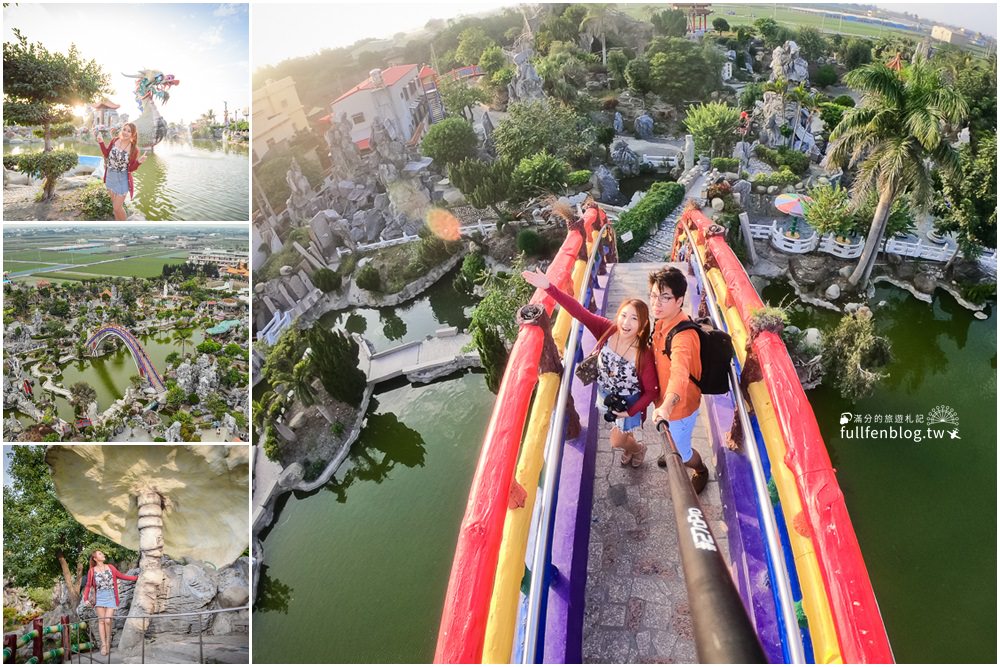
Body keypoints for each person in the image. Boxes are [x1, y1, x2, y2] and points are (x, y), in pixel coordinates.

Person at [522, 269, 657, 466]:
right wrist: (549, 288)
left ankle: (637, 448)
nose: (626, 323)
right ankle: (631, 446)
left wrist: (630, 411)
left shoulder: (643, 353)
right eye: (624, 315)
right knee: (619, 434)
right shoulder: (608, 330)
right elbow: (579, 312)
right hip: (606, 395)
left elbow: (652, 391)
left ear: (643, 325)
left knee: (615, 440)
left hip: (628, 404)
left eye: (634, 319)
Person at [648, 267, 710, 493]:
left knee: (683, 453)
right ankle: (670, 450)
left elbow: (680, 374)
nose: (657, 303)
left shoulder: (683, 336)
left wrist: (666, 405)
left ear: (680, 300)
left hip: (678, 408)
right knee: (670, 438)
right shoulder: (662, 320)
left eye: (665, 298)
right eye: (654, 295)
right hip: (664, 404)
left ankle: (700, 468)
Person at [82, 550, 138, 655]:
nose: (103, 555)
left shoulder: (110, 567)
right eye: (100, 554)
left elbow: (121, 576)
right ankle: (104, 645)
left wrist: (136, 578)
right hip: (99, 597)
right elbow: (88, 585)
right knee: (101, 621)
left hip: (111, 596)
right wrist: (85, 599)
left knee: (108, 620)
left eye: (102, 553)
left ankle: (108, 642)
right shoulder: (92, 571)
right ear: (95, 558)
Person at [95, 123, 148, 221]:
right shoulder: (115, 140)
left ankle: (125, 228)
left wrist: (138, 162)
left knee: (117, 207)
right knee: (115, 208)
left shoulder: (134, 149)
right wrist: (101, 142)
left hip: (122, 179)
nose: (126, 132)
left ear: (133, 134)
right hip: (110, 176)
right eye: (124, 129)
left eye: (129, 131)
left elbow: (131, 169)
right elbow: (106, 154)